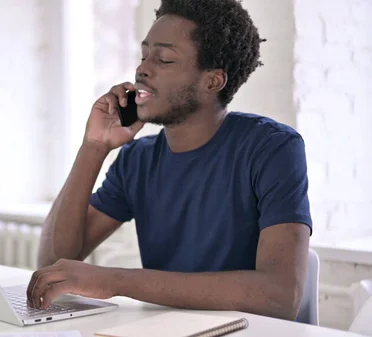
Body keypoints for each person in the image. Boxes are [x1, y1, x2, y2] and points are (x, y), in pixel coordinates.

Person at [27, 0, 312, 321]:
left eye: (163, 58)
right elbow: (55, 262)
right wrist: (93, 148)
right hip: (169, 328)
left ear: (213, 81)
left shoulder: (271, 147)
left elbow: (279, 297)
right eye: (144, 55)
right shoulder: (137, 158)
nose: (142, 69)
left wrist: (113, 280)